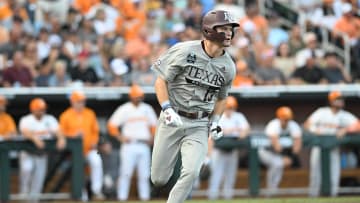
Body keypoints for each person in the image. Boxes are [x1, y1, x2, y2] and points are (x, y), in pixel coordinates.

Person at [150, 10, 238, 203]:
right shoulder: (184, 50)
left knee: (191, 171)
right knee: (158, 178)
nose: (229, 33)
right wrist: (167, 108)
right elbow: (160, 80)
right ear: (209, 30)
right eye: (224, 28)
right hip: (172, 117)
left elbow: (223, 98)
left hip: (199, 123)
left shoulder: (229, 66)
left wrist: (215, 121)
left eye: (231, 29)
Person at [107, 85, 157, 201]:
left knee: (144, 175)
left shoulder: (147, 108)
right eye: (136, 97)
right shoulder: (124, 109)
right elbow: (111, 125)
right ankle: (122, 198)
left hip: (143, 145)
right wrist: (120, 137)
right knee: (126, 173)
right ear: (131, 97)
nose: (138, 99)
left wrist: (152, 137)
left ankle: (145, 198)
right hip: (129, 145)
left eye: (140, 97)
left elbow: (154, 125)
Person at [304, 91, 358, 197]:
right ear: (331, 101)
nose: (340, 101)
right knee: (315, 173)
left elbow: (358, 125)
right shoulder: (321, 112)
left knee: (334, 173)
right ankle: (313, 196)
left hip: (334, 147)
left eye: (341, 99)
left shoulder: (344, 115)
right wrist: (314, 130)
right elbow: (307, 124)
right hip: (319, 146)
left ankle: (332, 197)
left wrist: (346, 129)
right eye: (337, 99)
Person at [59, 91, 104, 200]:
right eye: (79, 101)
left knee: (96, 160)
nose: (81, 103)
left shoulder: (90, 113)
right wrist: (73, 135)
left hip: (89, 149)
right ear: (72, 102)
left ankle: (96, 190)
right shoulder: (65, 115)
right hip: (73, 152)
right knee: (79, 171)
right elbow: (61, 133)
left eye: (83, 101)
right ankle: (81, 195)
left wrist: (94, 141)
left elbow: (95, 131)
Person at [19, 98, 66, 199]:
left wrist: (61, 138)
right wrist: (35, 139)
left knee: (38, 179)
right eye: (39, 109)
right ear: (33, 109)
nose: (42, 111)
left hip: (41, 154)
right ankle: (23, 197)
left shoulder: (49, 119)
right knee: (27, 170)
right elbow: (25, 131)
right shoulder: (26, 119)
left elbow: (57, 130)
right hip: (28, 153)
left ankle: (34, 201)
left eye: (43, 109)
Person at [207, 96, 250, 200]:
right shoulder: (218, 117)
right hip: (218, 151)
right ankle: (212, 198)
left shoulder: (238, 116)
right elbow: (214, 133)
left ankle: (228, 198)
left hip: (232, 151)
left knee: (230, 176)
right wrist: (232, 130)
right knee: (216, 176)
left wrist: (240, 133)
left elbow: (246, 129)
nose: (230, 110)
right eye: (228, 107)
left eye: (232, 108)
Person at [258, 106, 302, 196]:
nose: (286, 121)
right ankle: (271, 191)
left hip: (280, 154)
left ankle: (273, 190)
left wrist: (291, 158)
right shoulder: (273, 125)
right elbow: (276, 146)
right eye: (284, 119)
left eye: (288, 119)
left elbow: (297, 144)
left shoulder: (293, 125)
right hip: (265, 151)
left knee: (279, 163)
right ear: (279, 118)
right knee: (278, 163)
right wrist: (285, 158)